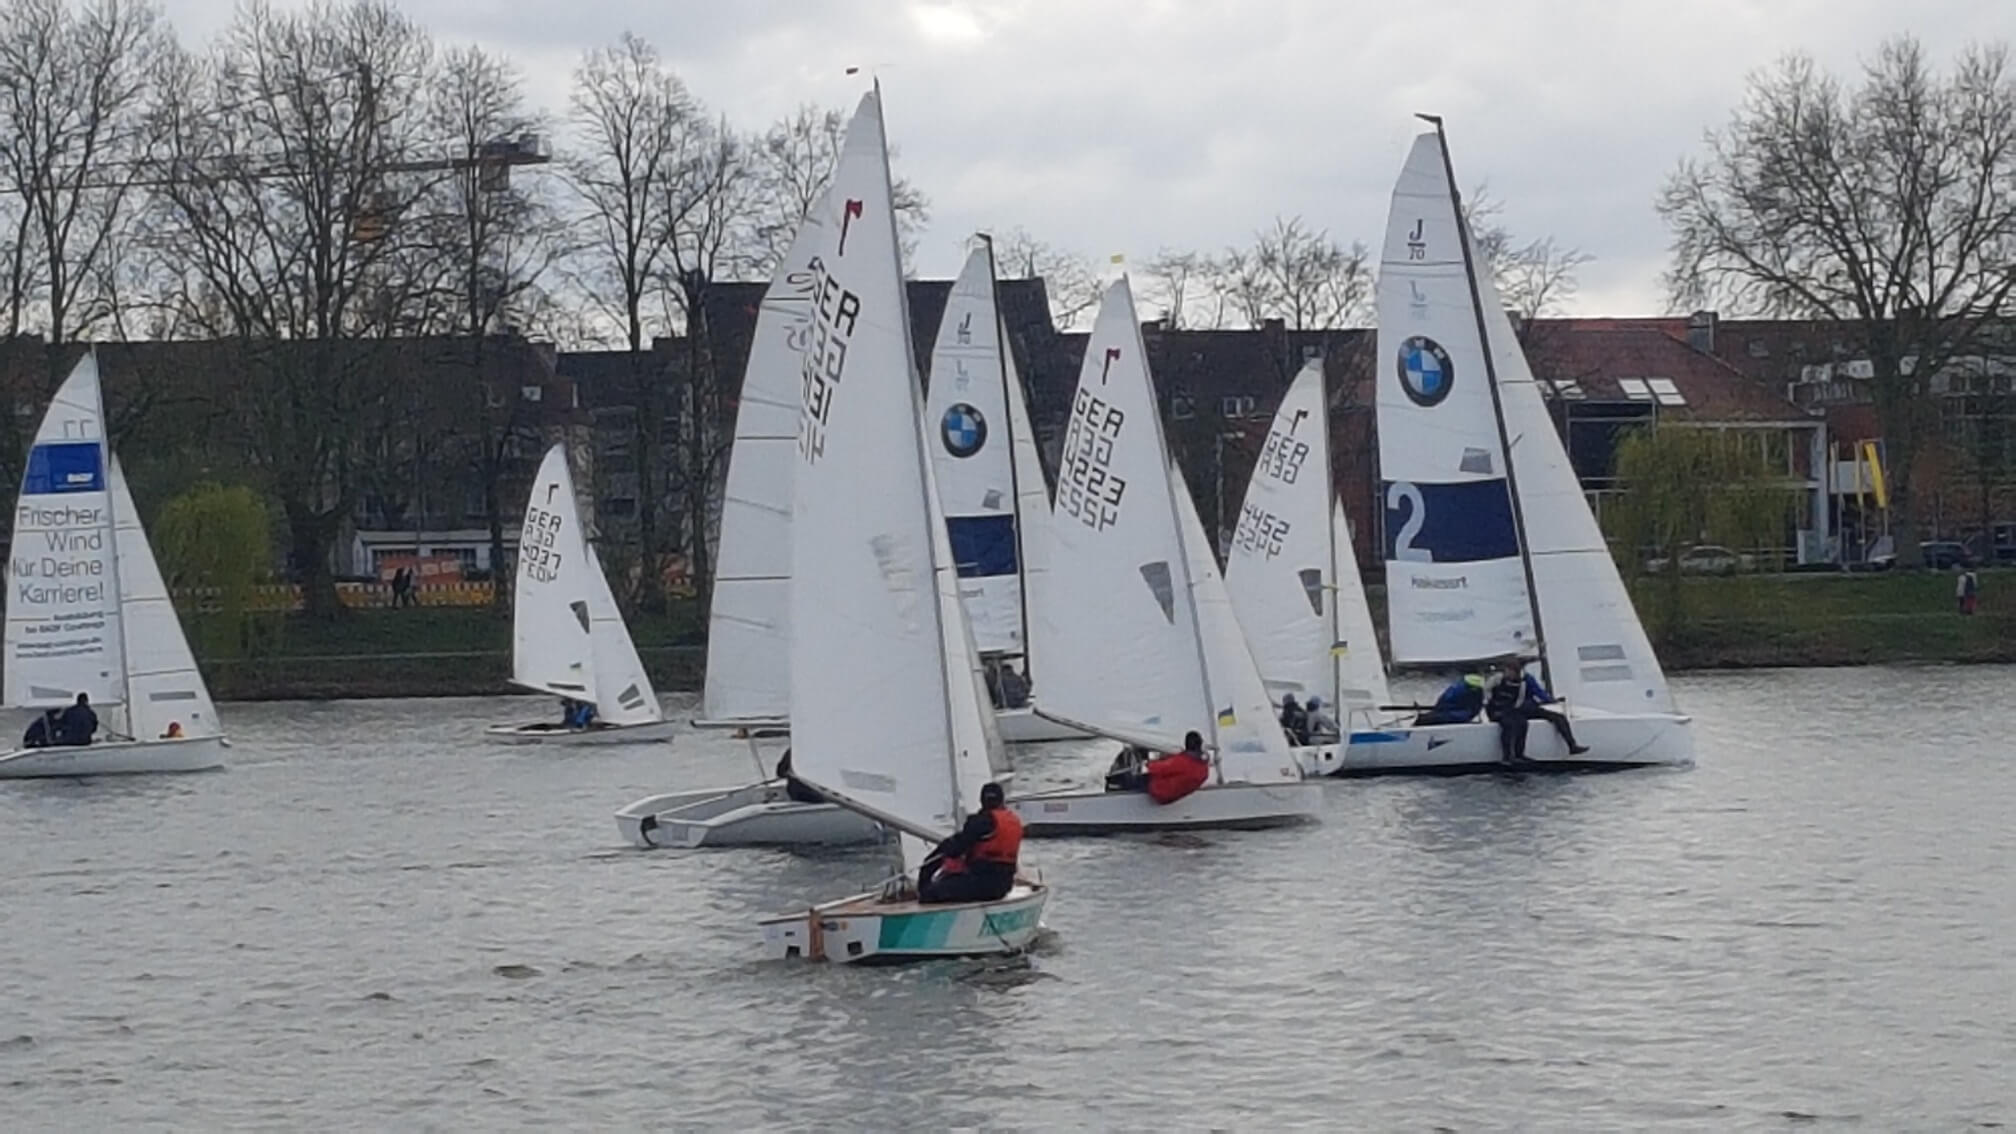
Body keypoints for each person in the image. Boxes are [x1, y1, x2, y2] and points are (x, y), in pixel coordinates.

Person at [916, 782, 1022, 904]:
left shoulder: (981, 822)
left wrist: (929, 864)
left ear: (982, 801)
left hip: (981, 884)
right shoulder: (1014, 821)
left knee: (931, 892)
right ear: (1002, 800)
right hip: (1004, 886)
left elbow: (955, 848)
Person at [1483, 660, 1588, 763]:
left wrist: (1551, 701)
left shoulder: (1524, 682)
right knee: (1512, 724)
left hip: (1516, 709)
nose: (1508, 673)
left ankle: (1572, 746)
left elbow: (1522, 699)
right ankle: (1507, 756)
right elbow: (1486, 690)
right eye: (1507, 671)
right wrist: (1488, 702)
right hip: (1497, 710)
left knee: (1531, 722)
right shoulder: (1497, 679)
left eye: (1510, 671)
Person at [1415, 671, 1486, 726]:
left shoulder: (1458, 687)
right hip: (1452, 712)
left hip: (1452, 712)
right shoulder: (1461, 690)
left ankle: (1424, 719)